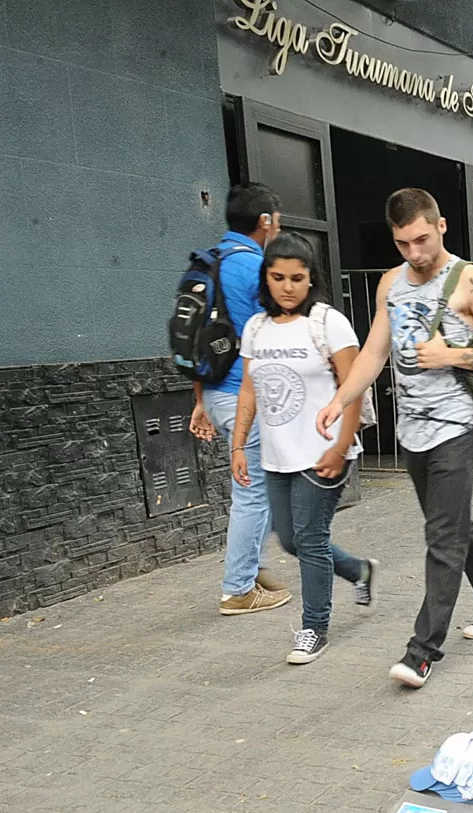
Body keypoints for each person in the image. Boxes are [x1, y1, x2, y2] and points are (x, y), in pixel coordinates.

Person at [316, 188, 473, 689]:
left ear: (442, 227)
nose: (415, 253)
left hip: (458, 424)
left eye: (422, 240)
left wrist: (452, 355)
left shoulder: (470, 280)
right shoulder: (390, 283)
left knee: (441, 537)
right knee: (448, 523)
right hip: (412, 429)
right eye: (403, 243)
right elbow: (372, 354)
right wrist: (340, 399)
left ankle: (422, 651)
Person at [230, 233, 376, 665]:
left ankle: (314, 628)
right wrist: (238, 445)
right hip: (276, 455)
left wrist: (342, 445)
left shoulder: (329, 322)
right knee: (290, 539)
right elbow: (249, 391)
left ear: (312, 279)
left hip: (324, 450)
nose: (288, 286)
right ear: (266, 279)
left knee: (310, 539)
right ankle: (358, 570)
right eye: (278, 277)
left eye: (298, 278)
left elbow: (355, 389)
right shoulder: (256, 328)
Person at [187, 182, 292, 616]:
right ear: (265, 222)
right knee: (252, 492)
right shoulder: (253, 267)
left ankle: (255, 567)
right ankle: (238, 589)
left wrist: (199, 402)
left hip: (214, 392)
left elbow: (197, 340)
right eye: (277, 220)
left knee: (262, 486)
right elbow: (270, 338)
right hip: (242, 397)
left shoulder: (208, 263)